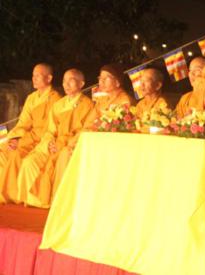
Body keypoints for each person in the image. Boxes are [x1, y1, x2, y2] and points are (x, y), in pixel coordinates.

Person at [15, 69, 93, 207]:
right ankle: (34, 200)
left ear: (81, 84)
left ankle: (52, 201)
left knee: (59, 160)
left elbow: (84, 131)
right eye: (64, 81)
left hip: (69, 145)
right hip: (53, 145)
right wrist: (49, 143)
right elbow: (50, 130)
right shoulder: (58, 105)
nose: (66, 84)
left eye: (71, 81)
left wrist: (63, 144)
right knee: (30, 162)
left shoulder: (88, 105)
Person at [53, 64, 134, 182]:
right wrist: (74, 141)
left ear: (117, 82)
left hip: (109, 145)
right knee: (66, 150)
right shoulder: (102, 100)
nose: (101, 81)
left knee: (67, 154)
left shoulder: (124, 101)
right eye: (100, 78)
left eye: (106, 78)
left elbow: (118, 130)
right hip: (93, 140)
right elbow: (88, 125)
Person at [0, 64, 62, 204]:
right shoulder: (31, 98)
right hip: (27, 138)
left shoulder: (55, 99)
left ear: (49, 78)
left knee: (16, 153)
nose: (34, 79)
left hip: (39, 142)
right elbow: (23, 123)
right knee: (3, 150)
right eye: (33, 75)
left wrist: (21, 142)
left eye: (38, 76)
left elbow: (47, 130)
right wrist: (13, 138)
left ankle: (11, 194)